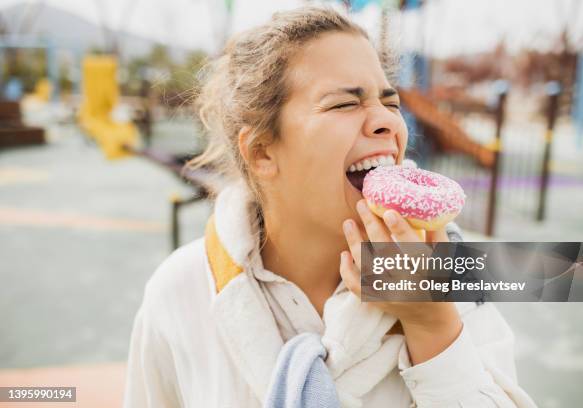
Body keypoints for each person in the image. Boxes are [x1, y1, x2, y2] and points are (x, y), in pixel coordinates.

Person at [124, 6, 537, 407]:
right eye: (345, 103)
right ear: (263, 152)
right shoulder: (181, 292)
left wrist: (431, 324)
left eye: (390, 103)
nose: (390, 123)